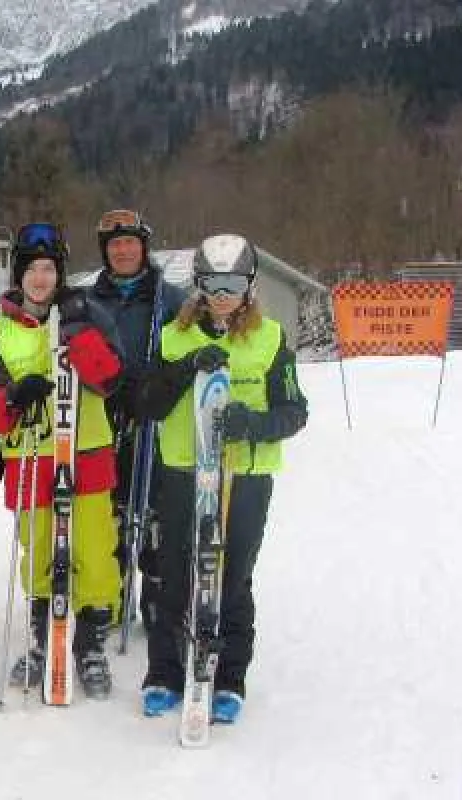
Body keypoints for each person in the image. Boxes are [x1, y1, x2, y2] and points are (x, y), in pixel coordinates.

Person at [134, 233, 308, 723]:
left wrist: (251, 423)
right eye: (213, 284)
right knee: (174, 574)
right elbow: (147, 404)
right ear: (198, 284)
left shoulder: (270, 338)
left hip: (244, 478)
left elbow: (294, 411)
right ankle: (165, 673)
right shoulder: (173, 335)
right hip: (183, 472)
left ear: (249, 284)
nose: (223, 295)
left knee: (232, 578)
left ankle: (230, 677)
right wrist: (185, 369)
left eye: (233, 284)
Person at [0, 223, 125, 697]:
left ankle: (90, 644)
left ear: (60, 273)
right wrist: (13, 396)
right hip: (31, 457)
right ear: (19, 275)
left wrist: (78, 333)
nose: (40, 278)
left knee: (94, 553)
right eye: (32, 269)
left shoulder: (90, 314)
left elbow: (111, 380)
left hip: (87, 453)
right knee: (38, 552)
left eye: (49, 269)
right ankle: (41, 640)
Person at [88, 209, 188, 629]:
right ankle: (113, 590)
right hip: (107, 412)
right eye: (114, 244)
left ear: (143, 247)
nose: (123, 251)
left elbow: (189, 348)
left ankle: (157, 596)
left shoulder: (171, 299)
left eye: (130, 242)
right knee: (111, 507)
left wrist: (161, 382)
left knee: (156, 508)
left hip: (155, 415)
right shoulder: (90, 300)